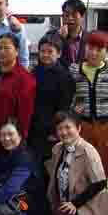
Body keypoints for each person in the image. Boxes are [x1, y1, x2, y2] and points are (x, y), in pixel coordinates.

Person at [47, 111, 108, 215]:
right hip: (65, 202)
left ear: (78, 128)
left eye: (68, 127)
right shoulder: (57, 149)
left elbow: (100, 183)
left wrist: (74, 204)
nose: (64, 132)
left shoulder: (88, 151)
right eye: (60, 128)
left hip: (87, 205)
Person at [68, 30, 108, 175]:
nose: (94, 53)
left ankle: (101, 189)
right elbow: (69, 98)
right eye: (90, 48)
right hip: (82, 126)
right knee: (81, 166)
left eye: (99, 50)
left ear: (106, 51)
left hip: (106, 128)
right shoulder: (74, 70)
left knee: (102, 167)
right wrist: (73, 114)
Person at [30, 35, 76, 163]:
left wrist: (55, 131)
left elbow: (64, 107)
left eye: (50, 51)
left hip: (52, 131)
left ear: (59, 54)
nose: (45, 55)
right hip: (34, 129)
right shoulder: (34, 73)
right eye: (42, 51)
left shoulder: (65, 77)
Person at [48, 0, 88, 66]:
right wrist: (59, 38)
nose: (70, 18)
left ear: (82, 16)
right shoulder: (52, 36)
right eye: (66, 15)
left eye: (74, 15)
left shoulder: (89, 39)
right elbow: (48, 60)